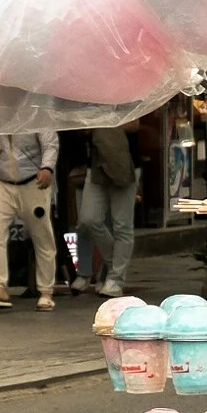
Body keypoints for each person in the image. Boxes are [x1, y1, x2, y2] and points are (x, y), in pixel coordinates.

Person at [0, 122, 58, 308]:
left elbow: (50, 143)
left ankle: (46, 291)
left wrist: (47, 167)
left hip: (33, 182)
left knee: (42, 237)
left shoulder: (35, 110)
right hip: (2, 182)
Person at [80, 122, 140, 296]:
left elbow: (135, 124)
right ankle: (115, 265)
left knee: (122, 225)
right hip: (97, 164)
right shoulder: (92, 99)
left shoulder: (127, 96)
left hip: (125, 164)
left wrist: (105, 122)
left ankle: (116, 279)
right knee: (88, 219)